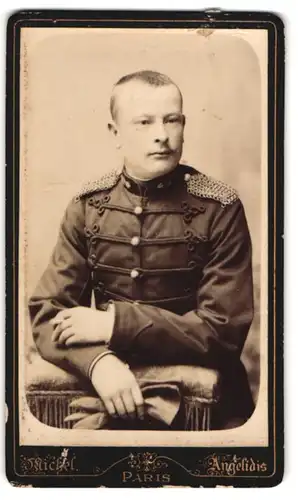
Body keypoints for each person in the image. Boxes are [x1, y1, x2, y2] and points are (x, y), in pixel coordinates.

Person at [28, 70, 255, 430]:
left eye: (172, 120)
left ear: (184, 125)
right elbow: (47, 312)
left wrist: (114, 324)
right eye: (144, 122)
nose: (162, 135)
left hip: (209, 404)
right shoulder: (88, 206)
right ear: (115, 133)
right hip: (101, 387)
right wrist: (97, 362)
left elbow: (222, 331)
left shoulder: (220, 208)